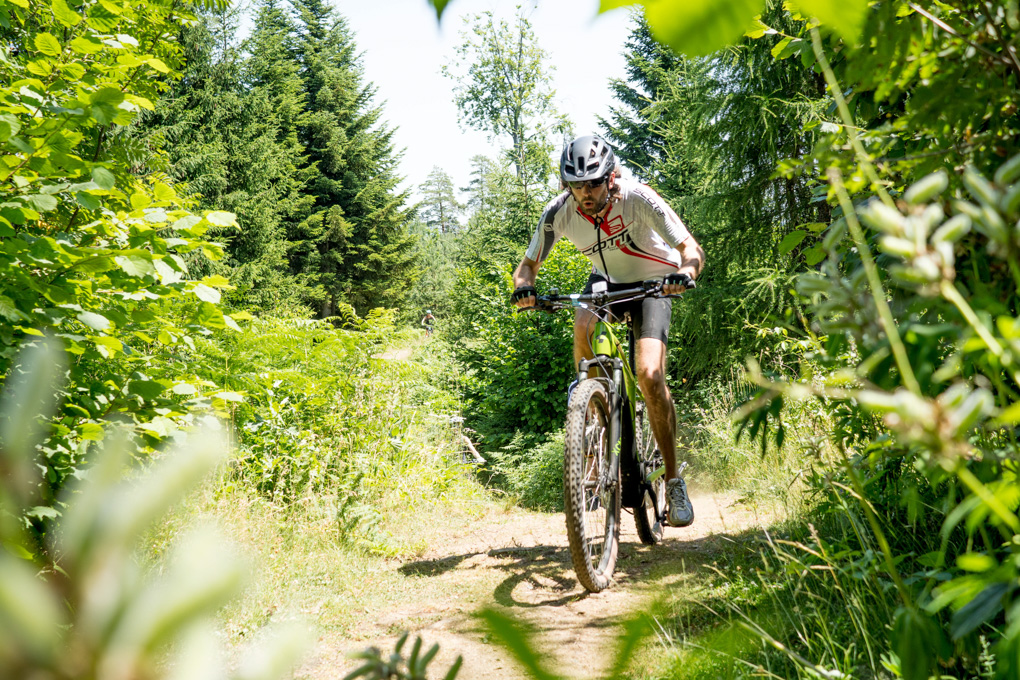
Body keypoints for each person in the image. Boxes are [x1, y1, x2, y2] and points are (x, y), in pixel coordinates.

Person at [511, 134, 705, 528]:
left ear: (611, 177)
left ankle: (673, 479)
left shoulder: (638, 198)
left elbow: (690, 248)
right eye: (575, 184)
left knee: (650, 375)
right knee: (582, 321)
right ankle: (592, 403)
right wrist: (523, 289)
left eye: (593, 183)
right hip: (607, 285)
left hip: (654, 285)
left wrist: (684, 273)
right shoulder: (558, 212)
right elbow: (526, 266)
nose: (584, 192)